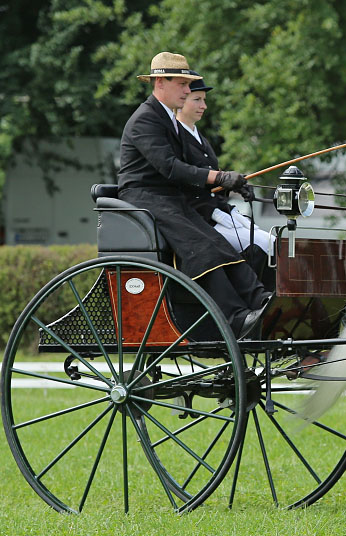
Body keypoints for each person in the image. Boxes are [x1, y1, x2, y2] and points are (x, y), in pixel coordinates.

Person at [117, 52, 269, 339]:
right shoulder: (144, 120)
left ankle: (262, 301)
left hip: (171, 198)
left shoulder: (167, 120)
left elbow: (189, 170)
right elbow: (171, 168)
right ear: (160, 82)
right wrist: (219, 176)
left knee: (219, 243)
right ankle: (236, 318)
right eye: (183, 84)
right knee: (202, 248)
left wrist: (224, 184)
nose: (188, 91)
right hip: (144, 199)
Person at [174, 78, 275, 267]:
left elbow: (211, 181)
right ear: (181, 100)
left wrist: (233, 186)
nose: (203, 105)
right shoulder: (177, 138)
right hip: (200, 220)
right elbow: (186, 179)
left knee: (273, 242)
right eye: (197, 99)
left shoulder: (199, 137)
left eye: (204, 100)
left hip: (220, 211)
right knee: (263, 246)